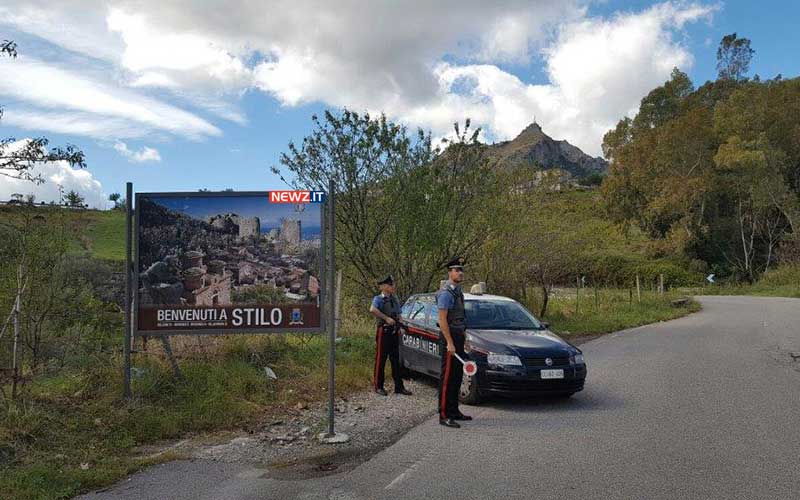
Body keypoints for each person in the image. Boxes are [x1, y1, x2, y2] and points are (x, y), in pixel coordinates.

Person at [435, 257, 472, 428]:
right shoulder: (445, 293)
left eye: (461, 270)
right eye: (456, 270)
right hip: (449, 337)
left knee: (457, 376)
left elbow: (460, 319)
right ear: (449, 272)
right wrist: (450, 342)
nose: (460, 273)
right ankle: (444, 414)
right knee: (447, 377)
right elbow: (442, 320)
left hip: (458, 336)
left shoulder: (458, 292)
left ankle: (454, 410)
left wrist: (463, 340)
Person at [369, 275, 412, 396]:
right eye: (390, 285)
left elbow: (399, 314)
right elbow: (372, 309)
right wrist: (386, 318)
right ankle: (378, 386)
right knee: (380, 360)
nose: (393, 287)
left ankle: (399, 386)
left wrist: (402, 326)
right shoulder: (378, 299)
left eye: (392, 284)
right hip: (384, 331)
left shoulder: (394, 299)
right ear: (384, 287)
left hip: (394, 331)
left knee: (396, 360)